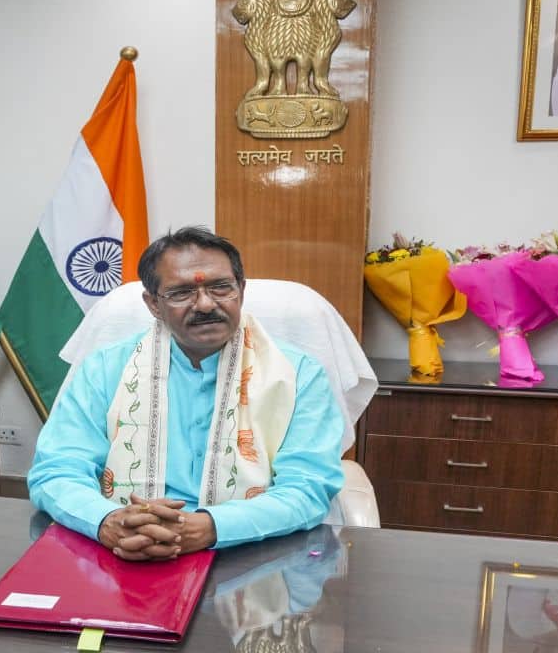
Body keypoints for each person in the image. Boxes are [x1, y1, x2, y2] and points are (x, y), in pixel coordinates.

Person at [28, 226, 345, 561]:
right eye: (181, 293)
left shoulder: (297, 375)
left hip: (249, 550)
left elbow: (308, 487)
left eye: (221, 287)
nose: (205, 304)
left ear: (241, 291)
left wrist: (210, 528)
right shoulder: (104, 370)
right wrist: (107, 521)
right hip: (123, 547)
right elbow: (57, 470)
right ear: (153, 304)